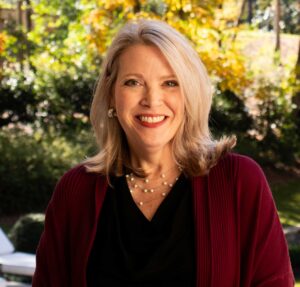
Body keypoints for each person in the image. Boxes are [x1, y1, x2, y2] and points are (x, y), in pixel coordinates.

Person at [32, 19, 295, 287]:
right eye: (133, 82)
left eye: (170, 83)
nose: (152, 100)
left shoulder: (238, 181)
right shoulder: (76, 191)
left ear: (189, 93)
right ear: (111, 95)